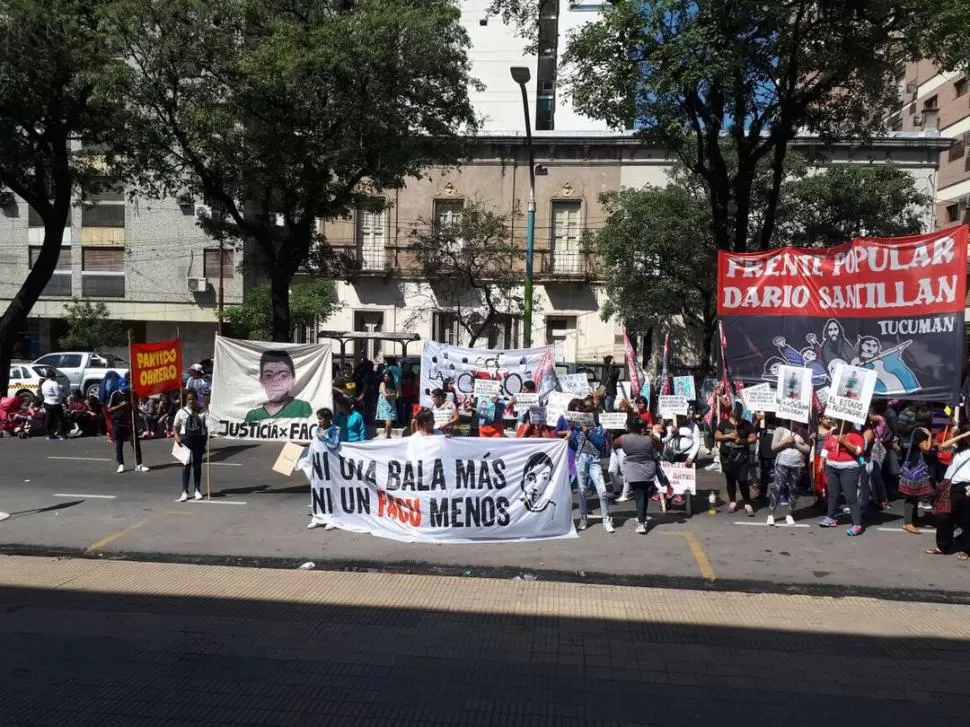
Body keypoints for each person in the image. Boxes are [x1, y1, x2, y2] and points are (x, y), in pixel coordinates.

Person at [561, 403, 614, 533]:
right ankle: (583, 517)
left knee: (602, 490)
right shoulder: (577, 428)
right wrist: (569, 436)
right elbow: (573, 444)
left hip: (594, 459)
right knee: (582, 490)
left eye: (593, 415)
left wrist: (589, 433)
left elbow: (600, 445)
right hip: (581, 458)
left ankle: (606, 519)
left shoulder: (600, 428)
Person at [926, 425, 970, 560]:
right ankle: (943, 545)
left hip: (967, 487)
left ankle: (966, 549)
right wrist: (961, 435)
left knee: (967, 520)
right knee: (944, 516)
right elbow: (942, 446)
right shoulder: (959, 448)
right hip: (951, 486)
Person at [818, 419, 865, 535]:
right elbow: (825, 448)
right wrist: (821, 462)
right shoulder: (832, 432)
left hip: (849, 468)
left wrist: (845, 442)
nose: (838, 421)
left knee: (850, 497)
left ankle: (857, 525)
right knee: (833, 494)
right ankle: (831, 517)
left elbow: (859, 451)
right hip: (832, 467)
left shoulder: (856, 434)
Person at [614, 417, 658, 534]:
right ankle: (642, 517)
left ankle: (641, 522)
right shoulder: (649, 439)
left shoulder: (623, 438)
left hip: (633, 469)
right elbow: (660, 446)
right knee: (644, 494)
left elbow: (614, 444)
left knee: (639, 495)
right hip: (648, 469)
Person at [244, 350, 313, 422]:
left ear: (293, 380)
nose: (276, 382)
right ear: (261, 381)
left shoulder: (302, 407)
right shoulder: (254, 415)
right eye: (269, 375)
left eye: (283, 376)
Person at [715, 403, 757, 515]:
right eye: (736, 411)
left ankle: (747, 502)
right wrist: (729, 436)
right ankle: (733, 501)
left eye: (739, 411)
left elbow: (753, 438)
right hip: (727, 457)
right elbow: (717, 436)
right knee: (730, 480)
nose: (737, 413)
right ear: (732, 412)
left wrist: (741, 441)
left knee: (743, 480)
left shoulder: (746, 424)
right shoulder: (724, 423)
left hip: (742, 457)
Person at [897, 407, 934, 534]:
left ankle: (914, 519)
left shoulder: (915, 429)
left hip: (913, 462)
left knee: (915, 494)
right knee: (911, 495)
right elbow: (926, 449)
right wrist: (930, 436)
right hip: (915, 464)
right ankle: (908, 523)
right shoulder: (921, 432)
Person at [769, 421, 810, 525]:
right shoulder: (780, 430)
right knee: (778, 488)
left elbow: (807, 449)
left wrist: (795, 445)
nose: (800, 423)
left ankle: (789, 514)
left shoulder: (804, 432)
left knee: (794, 489)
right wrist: (785, 442)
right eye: (798, 422)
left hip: (797, 465)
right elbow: (773, 447)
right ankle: (771, 514)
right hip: (782, 463)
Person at [106, 380, 149, 473]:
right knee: (119, 444)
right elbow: (109, 409)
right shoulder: (115, 394)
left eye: (126, 388)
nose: (125, 390)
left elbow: (136, 406)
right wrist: (120, 406)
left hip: (130, 422)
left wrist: (134, 407)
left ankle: (139, 464)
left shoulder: (132, 394)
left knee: (135, 443)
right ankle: (121, 464)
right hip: (118, 422)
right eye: (123, 389)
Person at [172, 389, 207, 502]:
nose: (191, 401)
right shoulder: (181, 412)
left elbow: (208, 425)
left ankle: (197, 489)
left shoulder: (203, 411)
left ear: (196, 399)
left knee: (197, 465)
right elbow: (175, 426)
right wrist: (177, 437)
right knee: (186, 465)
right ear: (186, 400)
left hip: (199, 440)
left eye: (193, 398)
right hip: (186, 440)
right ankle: (184, 491)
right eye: (189, 399)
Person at [756, 412, 778, 505]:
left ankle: (776, 496)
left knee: (776, 478)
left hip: (775, 455)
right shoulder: (762, 426)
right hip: (764, 455)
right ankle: (762, 495)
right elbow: (753, 429)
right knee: (764, 477)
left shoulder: (779, 426)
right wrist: (758, 420)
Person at [40, 371, 65, 440]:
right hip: (55, 403)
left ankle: (49, 434)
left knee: (48, 419)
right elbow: (58, 394)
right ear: (52, 376)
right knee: (60, 419)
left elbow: (43, 393)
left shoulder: (44, 384)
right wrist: (61, 399)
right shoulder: (54, 383)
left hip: (47, 402)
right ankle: (62, 435)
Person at [376, 371, 399, 438]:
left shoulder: (394, 384)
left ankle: (387, 436)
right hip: (384, 405)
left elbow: (398, 395)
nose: (386, 378)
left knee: (389, 422)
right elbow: (385, 395)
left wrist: (393, 396)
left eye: (387, 376)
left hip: (391, 405)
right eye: (385, 376)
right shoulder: (382, 383)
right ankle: (388, 436)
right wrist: (392, 395)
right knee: (388, 422)